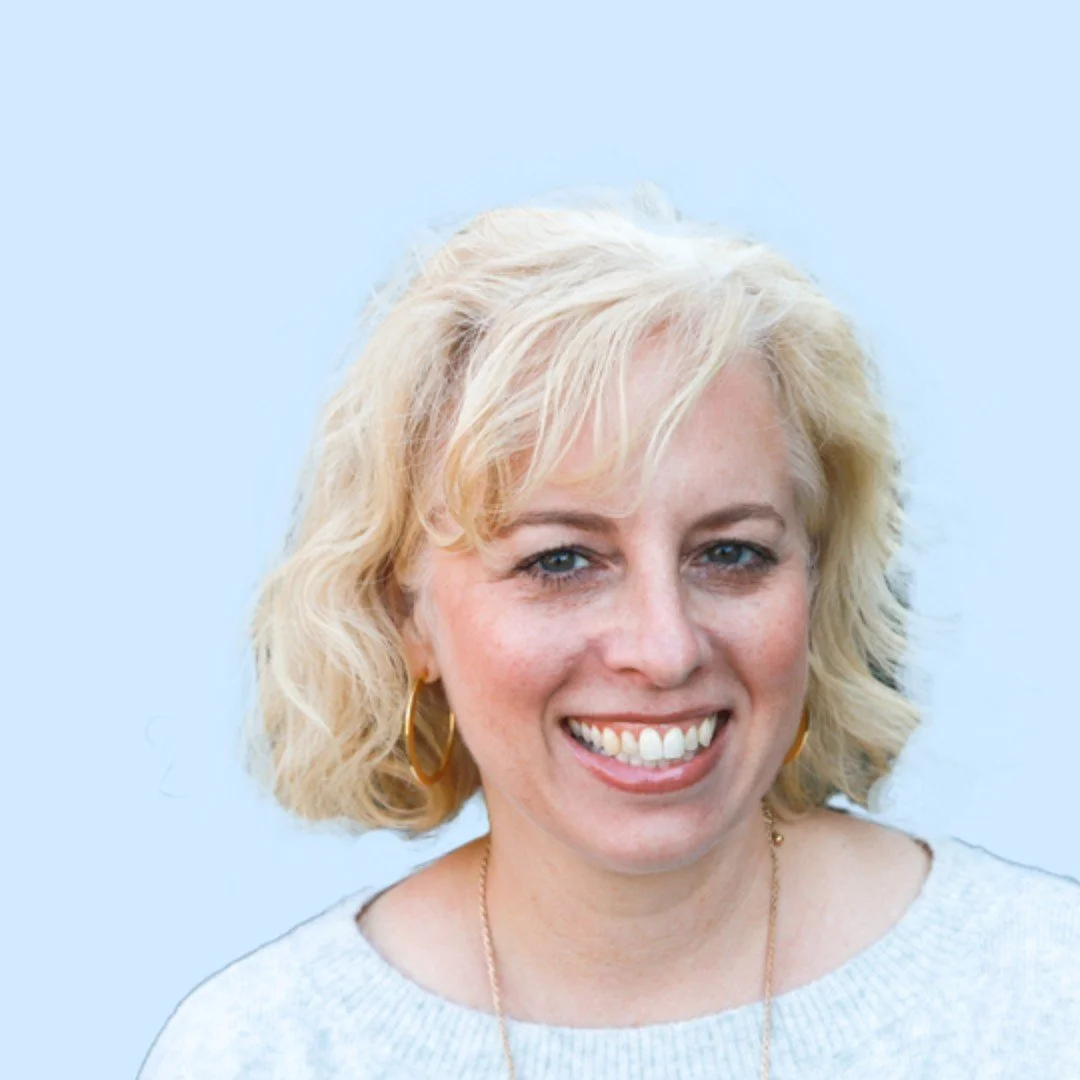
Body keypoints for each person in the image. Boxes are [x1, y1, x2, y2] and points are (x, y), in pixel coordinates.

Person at [138, 187, 1080, 1079]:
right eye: (561, 562)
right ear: (403, 613)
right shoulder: (270, 1050)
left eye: (732, 554)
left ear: (817, 582)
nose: (664, 649)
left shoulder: (1043, 999)